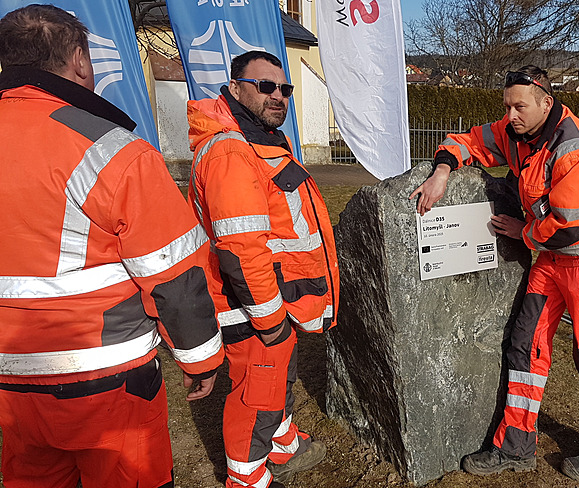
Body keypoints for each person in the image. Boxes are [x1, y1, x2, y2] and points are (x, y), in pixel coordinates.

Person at [0, 5, 224, 487]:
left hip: (10, 385)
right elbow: (174, 275)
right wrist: (201, 359)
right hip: (106, 382)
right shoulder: (114, 151)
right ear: (80, 59)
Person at [410, 66, 579, 482]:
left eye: (519, 106)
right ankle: (515, 445)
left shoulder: (573, 151)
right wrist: (441, 172)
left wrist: (525, 232)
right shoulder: (518, 132)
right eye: (507, 105)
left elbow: (570, 226)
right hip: (551, 258)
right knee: (526, 342)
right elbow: (469, 141)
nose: (511, 115)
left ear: (546, 103)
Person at [187, 50, 339, 488]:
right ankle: (247, 476)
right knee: (256, 393)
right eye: (265, 86)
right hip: (251, 307)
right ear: (235, 88)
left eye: (284, 88)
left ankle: (282, 442)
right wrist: (271, 320)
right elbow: (240, 249)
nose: (278, 96)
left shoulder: (260, 139)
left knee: (276, 383)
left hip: (273, 298)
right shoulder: (231, 151)